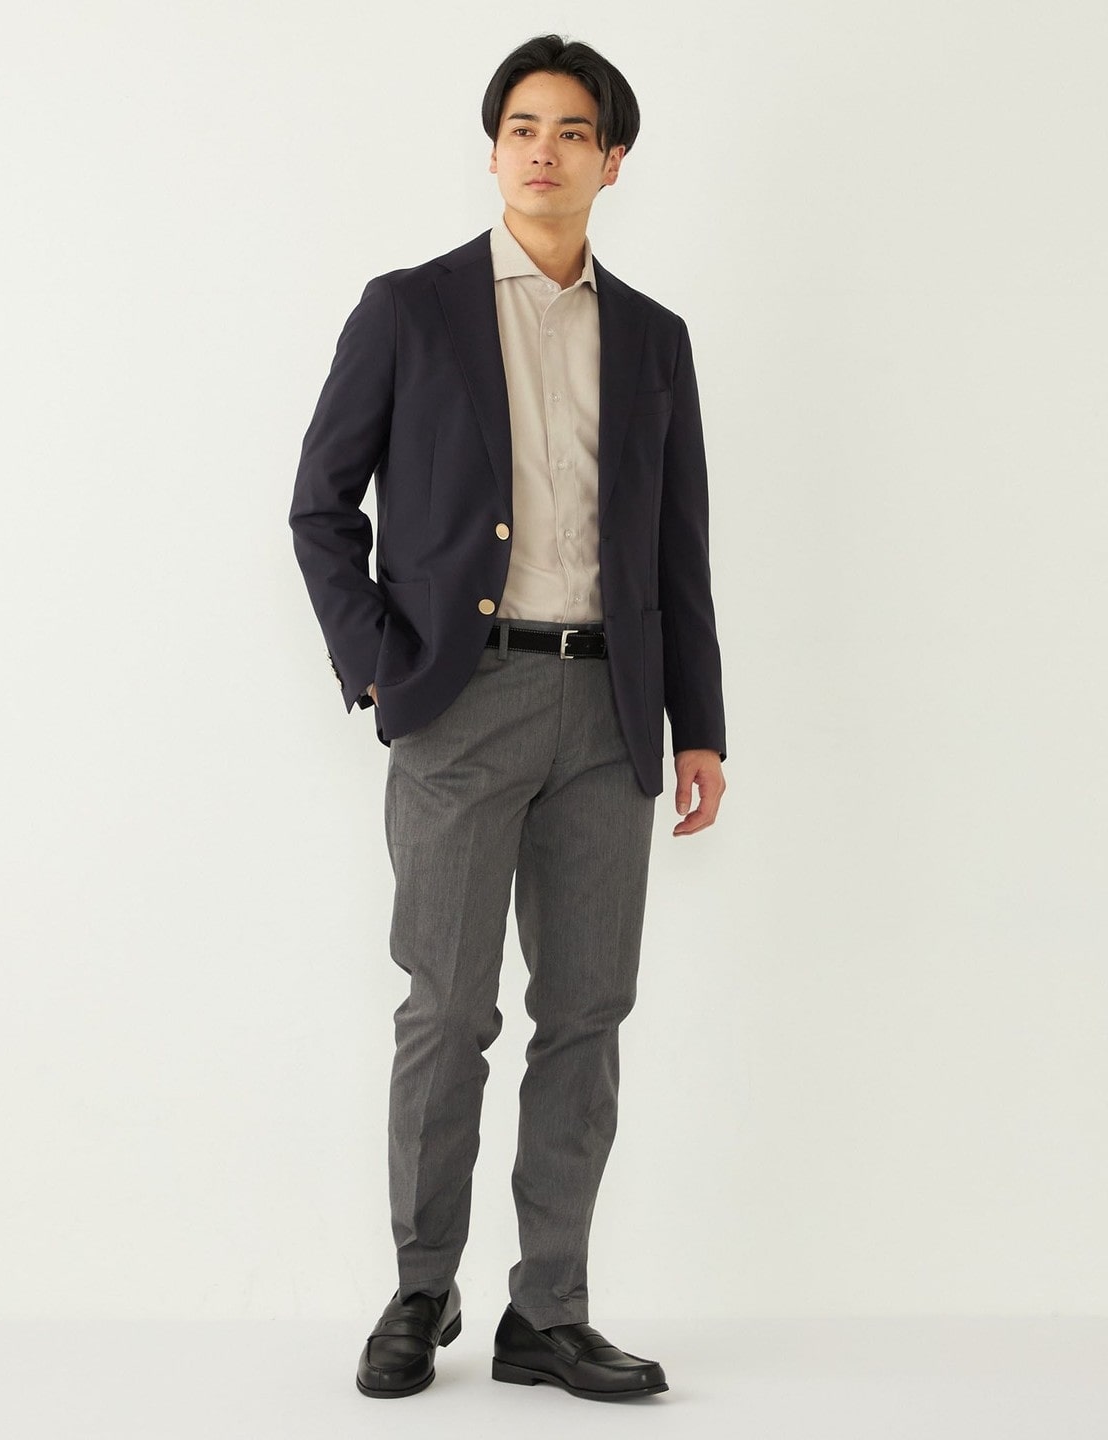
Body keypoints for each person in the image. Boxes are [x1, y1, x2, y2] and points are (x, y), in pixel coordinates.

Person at [289, 33, 726, 1403]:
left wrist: (700, 726)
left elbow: (679, 550)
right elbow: (320, 508)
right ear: (493, 150)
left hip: (610, 709)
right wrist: (380, 666)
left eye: (573, 131)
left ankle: (550, 1312)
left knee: (586, 1013)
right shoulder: (409, 310)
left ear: (612, 161)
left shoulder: (653, 338)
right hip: (459, 702)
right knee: (447, 1010)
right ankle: (422, 1291)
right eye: (523, 127)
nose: (545, 150)